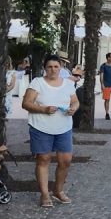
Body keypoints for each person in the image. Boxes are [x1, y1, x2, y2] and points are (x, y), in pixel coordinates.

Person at [21, 53, 80, 208]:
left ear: (61, 68)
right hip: (41, 127)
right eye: (50, 67)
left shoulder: (68, 84)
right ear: (44, 68)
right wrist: (44, 109)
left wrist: (73, 109)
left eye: (56, 67)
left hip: (64, 127)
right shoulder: (37, 82)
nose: (53, 70)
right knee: (43, 159)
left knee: (65, 160)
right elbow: (26, 103)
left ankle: (58, 191)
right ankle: (45, 194)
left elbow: (75, 101)